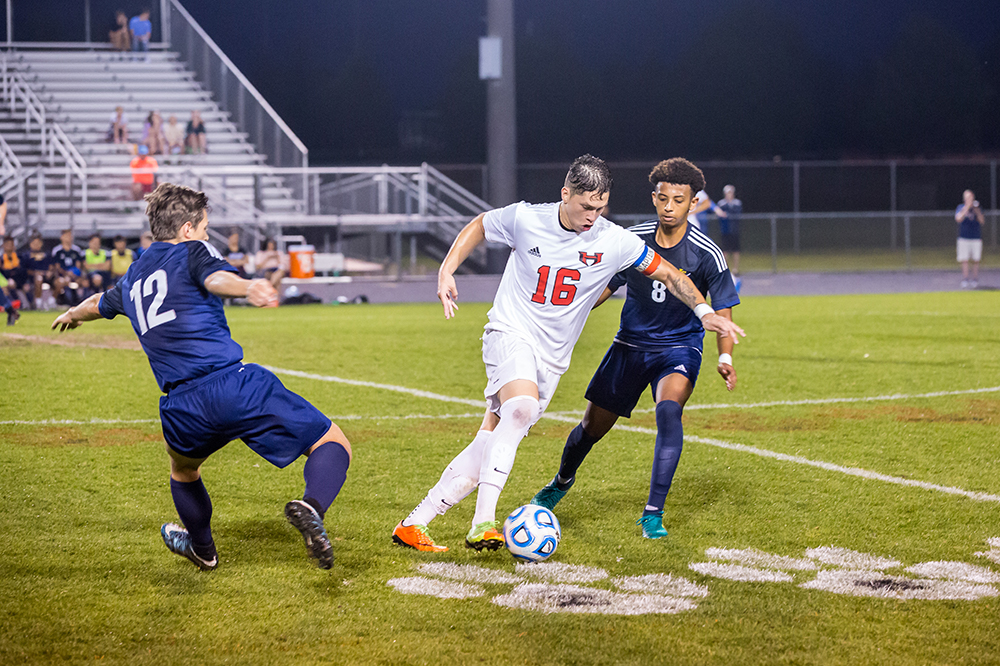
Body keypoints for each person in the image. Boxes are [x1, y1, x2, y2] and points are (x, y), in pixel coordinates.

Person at [391, 154, 744, 553]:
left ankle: (414, 522)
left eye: (600, 207)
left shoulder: (614, 240)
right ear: (566, 193)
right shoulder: (526, 219)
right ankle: (483, 524)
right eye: (585, 206)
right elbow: (479, 225)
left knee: (490, 441)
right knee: (521, 408)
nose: (592, 215)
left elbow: (668, 274)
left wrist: (704, 311)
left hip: (552, 358)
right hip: (510, 332)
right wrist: (447, 269)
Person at [51, 183, 352, 571]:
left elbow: (98, 303)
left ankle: (203, 550)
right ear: (188, 228)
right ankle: (311, 507)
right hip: (233, 385)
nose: (209, 235)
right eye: (206, 227)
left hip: (180, 406)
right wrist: (248, 286)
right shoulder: (193, 251)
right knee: (332, 441)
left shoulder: (133, 277)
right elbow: (214, 280)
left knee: (183, 469)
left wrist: (73, 313)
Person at [530, 157, 742, 539]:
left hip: (679, 347)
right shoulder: (631, 240)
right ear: (654, 198)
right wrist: (559, 311)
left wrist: (724, 355)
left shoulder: (707, 253)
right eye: (663, 199)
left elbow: (722, 312)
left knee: (669, 412)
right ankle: (560, 482)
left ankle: (652, 513)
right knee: (591, 428)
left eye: (679, 200)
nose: (669, 207)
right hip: (629, 345)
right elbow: (601, 290)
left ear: (693, 203)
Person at [955, 189, 985, 289]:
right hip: (964, 238)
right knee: (965, 260)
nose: (970, 199)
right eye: (968, 198)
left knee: (976, 259)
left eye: (971, 198)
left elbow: (982, 221)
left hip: (976, 237)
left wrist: (977, 211)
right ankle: (965, 279)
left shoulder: (977, 208)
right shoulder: (960, 207)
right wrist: (966, 208)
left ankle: (975, 279)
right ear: (964, 199)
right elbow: (958, 219)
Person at [715, 184, 743, 291]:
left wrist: (728, 214)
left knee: (736, 250)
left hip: (734, 230)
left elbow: (736, 213)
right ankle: (725, 269)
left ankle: (735, 269)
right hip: (725, 231)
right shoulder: (721, 203)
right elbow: (720, 214)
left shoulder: (737, 203)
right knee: (725, 251)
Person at [51, 229, 85, 306]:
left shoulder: (76, 250)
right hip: (61, 275)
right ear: (61, 237)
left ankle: (80, 302)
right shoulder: (57, 251)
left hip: (74, 275)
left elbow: (78, 266)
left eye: (70, 236)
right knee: (62, 281)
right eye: (67, 236)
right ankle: (54, 300)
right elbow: (57, 267)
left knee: (84, 282)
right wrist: (66, 273)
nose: (69, 238)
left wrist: (73, 274)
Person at [22, 232, 54, 310]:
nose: (36, 245)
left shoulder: (46, 254)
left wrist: (49, 272)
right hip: (30, 279)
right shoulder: (26, 255)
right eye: (34, 243)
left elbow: (51, 266)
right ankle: (38, 303)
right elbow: (24, 270)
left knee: (60, 281)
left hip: (46, 277)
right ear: (30, 244)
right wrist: (36, 273)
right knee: (39, 278)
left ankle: (52, 301)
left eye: (38, 243)